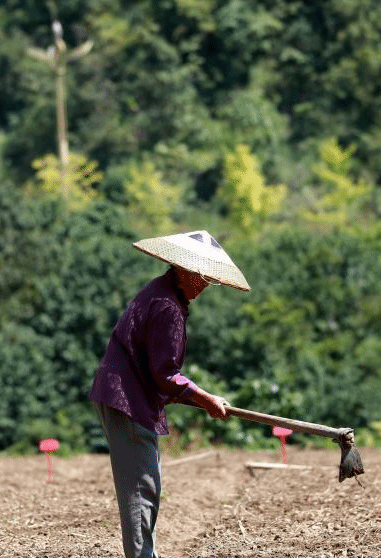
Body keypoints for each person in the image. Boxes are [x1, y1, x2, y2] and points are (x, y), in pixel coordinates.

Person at [89, 230, 249, 558]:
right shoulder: (168, 307)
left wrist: (202, 399)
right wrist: (206, 399)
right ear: (183, 269)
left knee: (145, 487)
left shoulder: (161, 294)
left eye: (211, 279)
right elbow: (165, 375)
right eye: (202, 277)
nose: (205, 285)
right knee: (140, 492)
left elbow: (159, 373)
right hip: (127, 400)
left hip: (123, 396)